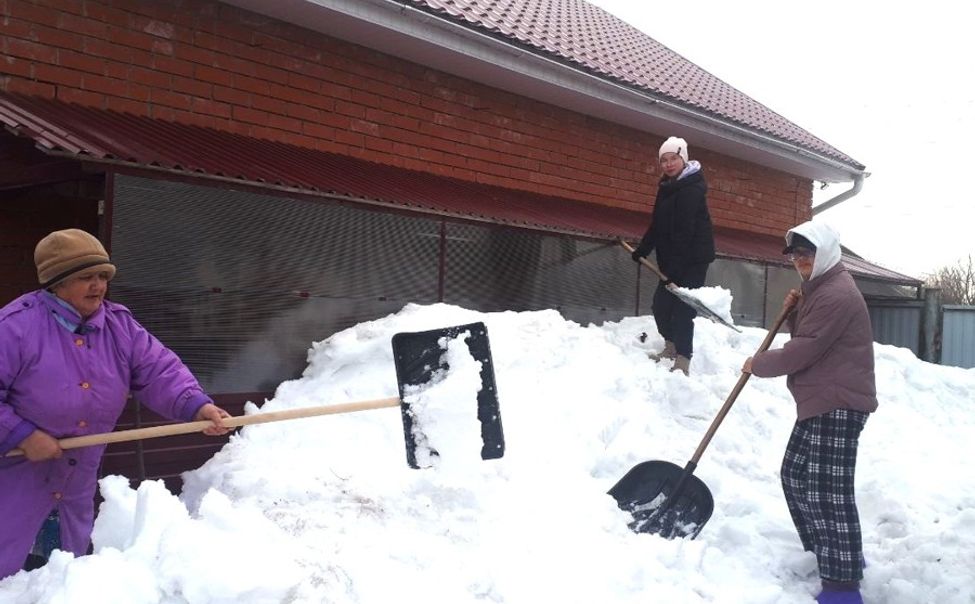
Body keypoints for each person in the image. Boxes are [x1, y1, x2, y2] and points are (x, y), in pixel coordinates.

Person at [0, 228, 232, 579]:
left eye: (103, 276)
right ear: (56, 283)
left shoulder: (119, 326)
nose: (98, 285)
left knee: (63, 575)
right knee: (8, 565)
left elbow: (158, 370)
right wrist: (20, 434)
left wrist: (195, 406)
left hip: (76, 477)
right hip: (16, 477)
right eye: (85, 277)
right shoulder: (15, 327)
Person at [742, 221, 877, 604]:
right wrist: (798, 308)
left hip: (839, 401)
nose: (801, 261)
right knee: (795, 475)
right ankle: (834, 553)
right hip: (822, 398)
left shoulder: (836, 293)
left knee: (827, 491)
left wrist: (759, 363)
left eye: (808, 254)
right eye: (796, 256)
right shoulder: (818, 287)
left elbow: (806, 349)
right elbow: (810, 337)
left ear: (827, 252)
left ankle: (843, 584)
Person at [631, 136, 715, 375]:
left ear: (683, 158)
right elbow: (657, 224)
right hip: (672, 262)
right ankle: (670, 346)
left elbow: (684, 231)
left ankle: (683, 360)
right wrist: (643, 250)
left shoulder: (692, 188)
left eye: (673, 159)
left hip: (693, 261)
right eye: (664, 160)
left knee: (682, 312)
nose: (668, 164)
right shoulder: (666, 188)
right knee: (660, 307)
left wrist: (674, 271)